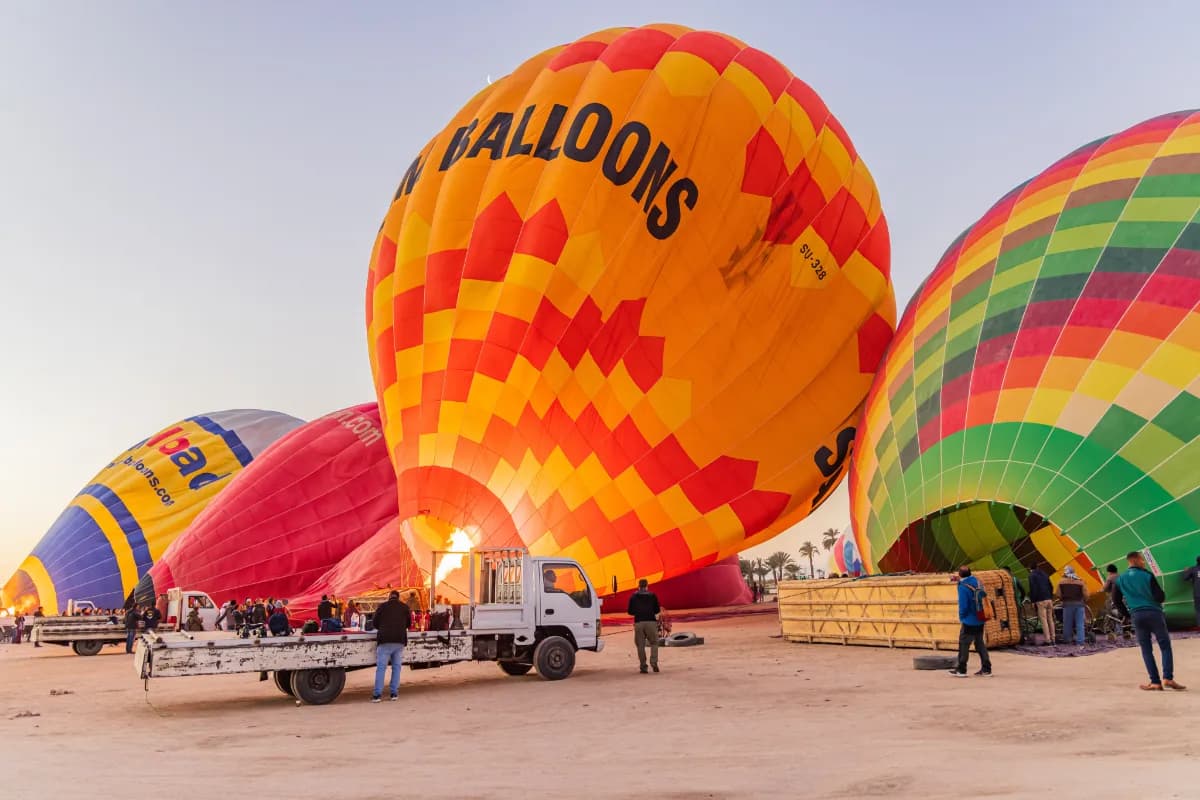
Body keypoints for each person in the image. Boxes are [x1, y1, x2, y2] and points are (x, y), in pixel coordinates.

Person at [1114, 551, 1185, 691]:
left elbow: (1116, 600)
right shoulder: (1147, 575)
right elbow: (1160, 597)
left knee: (1146, 649)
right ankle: (1168, 678)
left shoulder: (1120, 579)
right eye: (1142, 560)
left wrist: (1127, 614)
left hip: (1137, 615)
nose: (1144, 562)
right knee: (1164, 646)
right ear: (1137, 560)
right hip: (1154, 613)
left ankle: (1155, 682)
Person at [949, 566, 992, 677]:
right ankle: (986, 669)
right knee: (980, 644)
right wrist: (959, 580)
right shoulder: (977, 581)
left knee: (964, 644)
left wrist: (962, 617)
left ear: (960, 574)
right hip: (980, 618)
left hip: (969, 620)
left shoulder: (963, 587)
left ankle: (961, 670)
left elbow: (964, 605)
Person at [371, 590, 411, 702]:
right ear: (398, 597)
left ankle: (377, 695)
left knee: (381, 668)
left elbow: (375, 623)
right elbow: (409, 624)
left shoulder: (382, 606)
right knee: (397, 667)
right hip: (399, 641)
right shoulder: (404, 607)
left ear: (389, 597)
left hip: (385, 640)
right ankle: (394, 694)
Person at [627, 578, 661, 674]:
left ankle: (643, 667)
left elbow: (630, 611)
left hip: (639, 622)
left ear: (638, 586)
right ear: (647, 586)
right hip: (651, 622)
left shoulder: (633, 597)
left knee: (640, 645)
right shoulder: (652, 596)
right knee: (654, 643)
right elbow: (657, 610)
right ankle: (654, 663)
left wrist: (638, 611)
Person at [1056, 566, 1089, 645]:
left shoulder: (1061, 582)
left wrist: (1062, 599)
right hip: (1079, 605)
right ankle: (1080, 641)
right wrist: (1084, 600)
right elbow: (1086, 594)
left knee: (1067, 623)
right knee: (1080, 624)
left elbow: (1058, 594)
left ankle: (1067, 640)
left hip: (1067, 604)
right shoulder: (1081, 581)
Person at [1028, 564, 1055, 644]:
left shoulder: (1032, 575)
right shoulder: (1045, 574)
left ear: (1030, 569)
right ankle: (1053, 639)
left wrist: (1033, 601)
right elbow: (1051, 586)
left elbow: (1033, 589)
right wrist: (1050, 597)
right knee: (1050, 619)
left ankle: (1047, 640)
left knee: (1044, 620)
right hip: (1049, 599)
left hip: (1040, 600)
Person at [1181, 557, 1200, 628]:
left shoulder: (1193, 569)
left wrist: (1186, 571)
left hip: (1198, 594)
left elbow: (1185, 578)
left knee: (1198, 610)